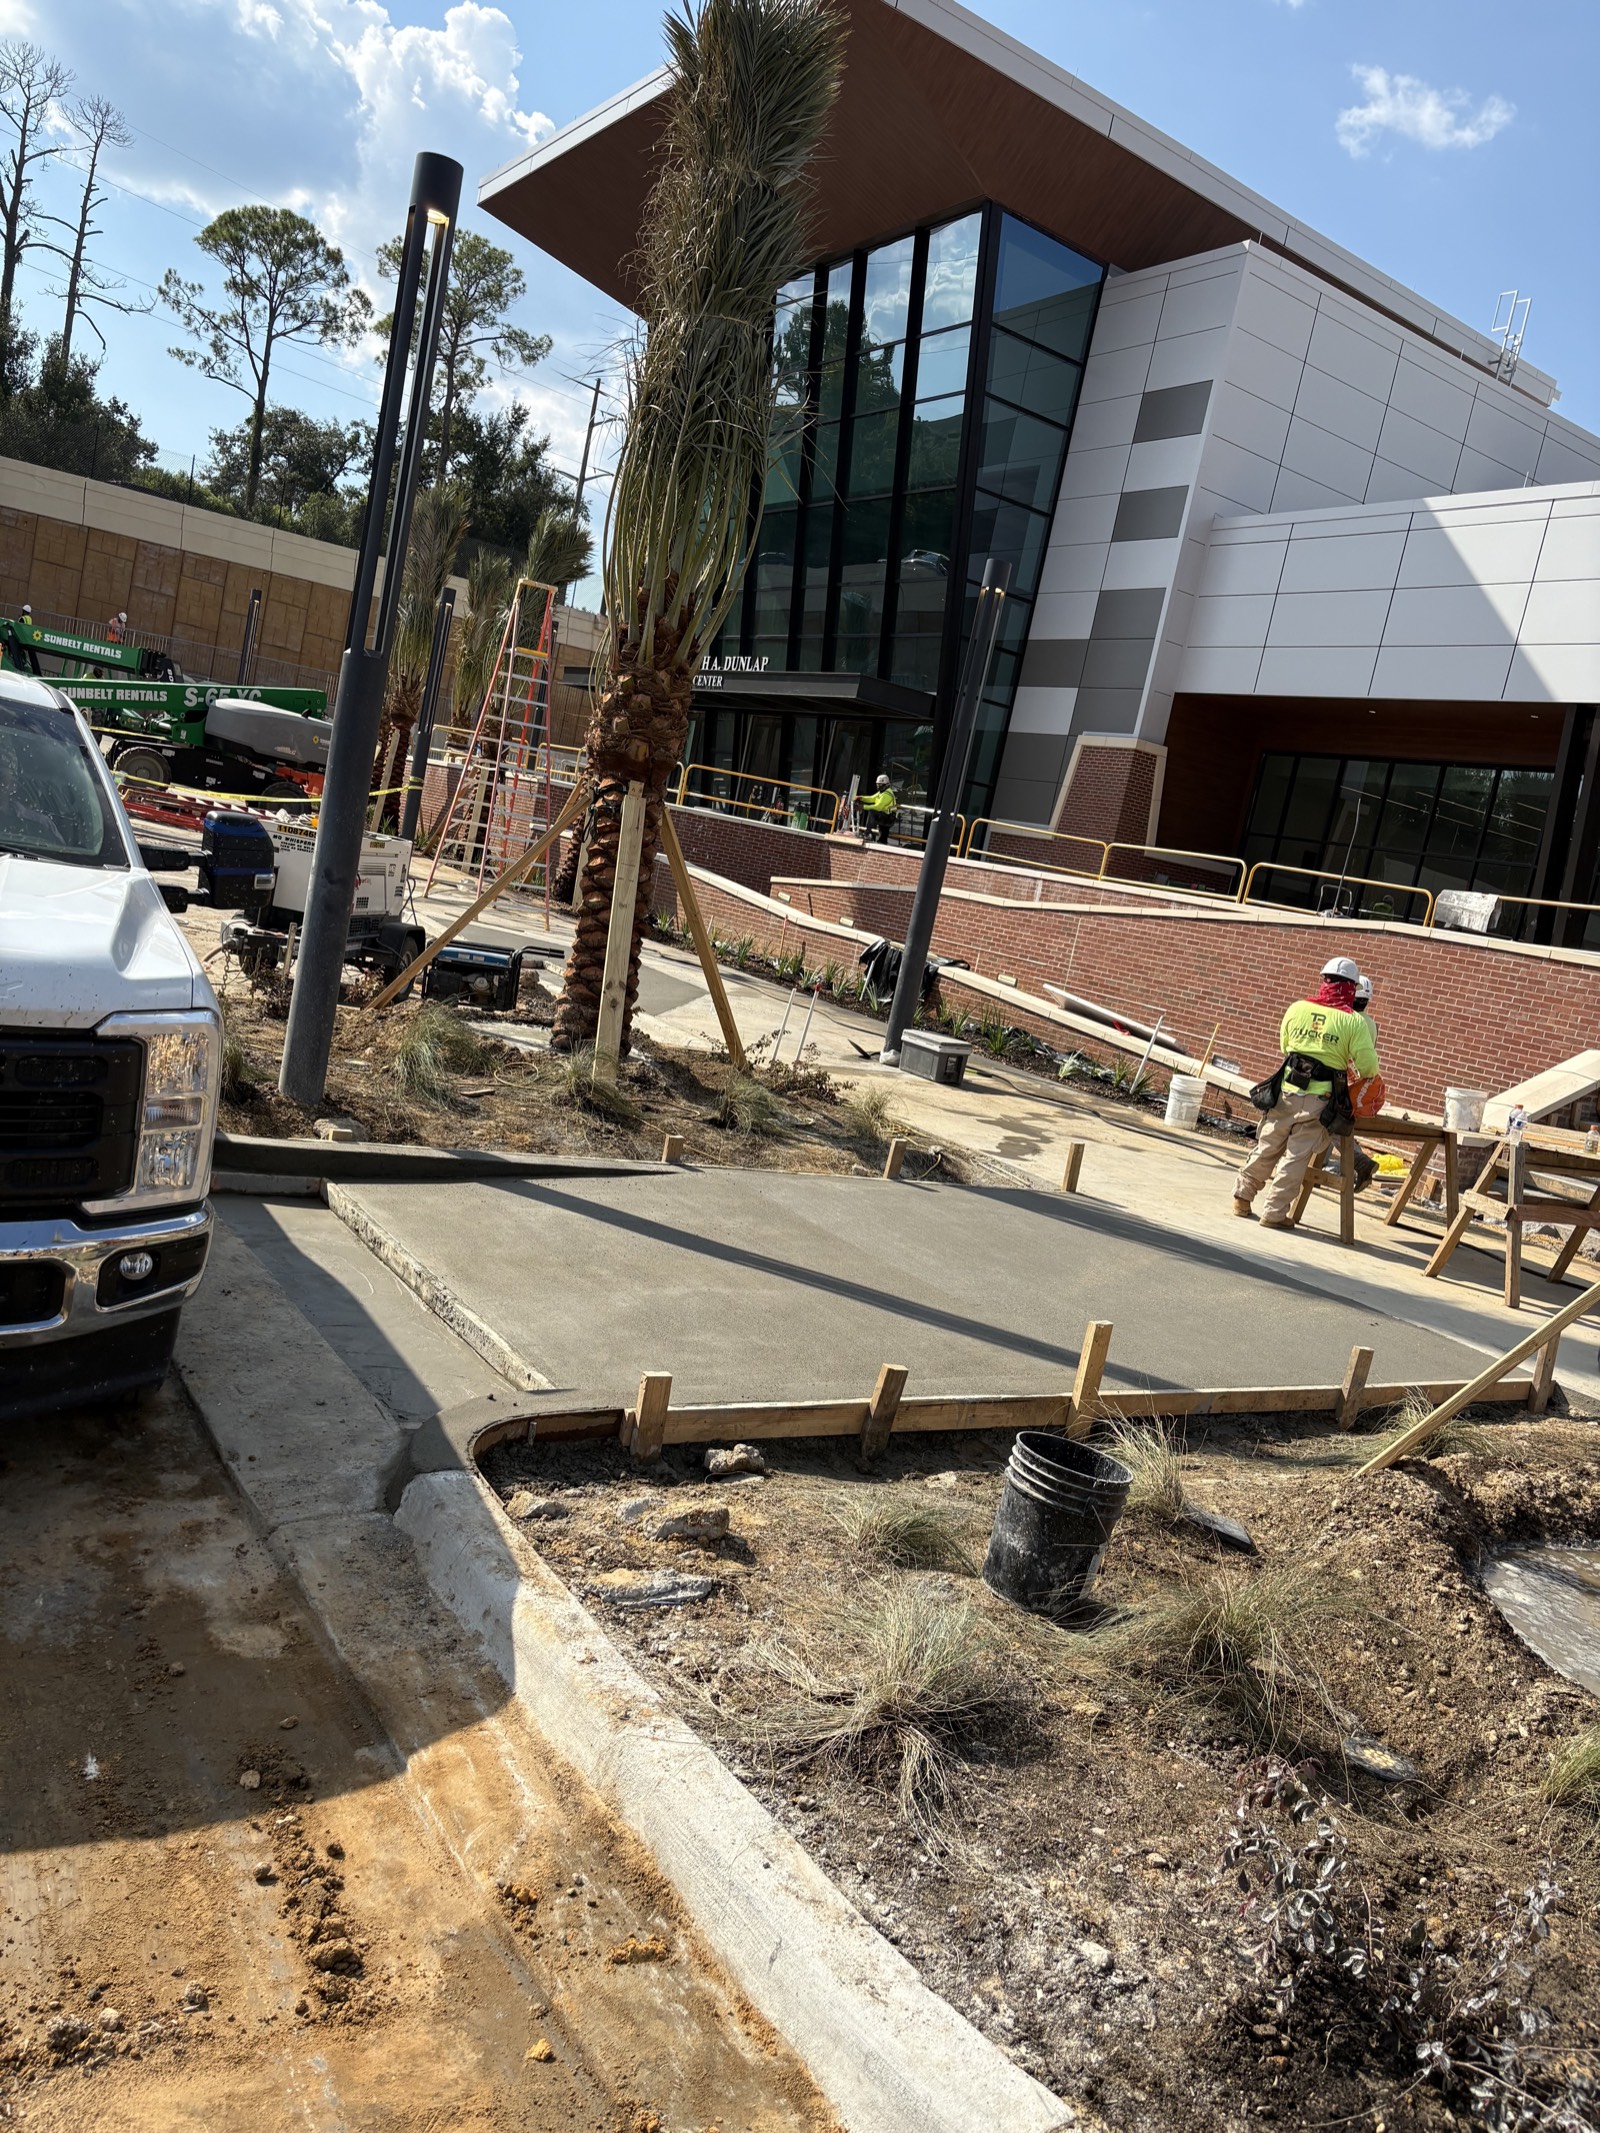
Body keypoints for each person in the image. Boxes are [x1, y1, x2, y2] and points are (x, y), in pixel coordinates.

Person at [1233, 955, 1381, 1231]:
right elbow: (1368, 1067)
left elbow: (1285, 1046)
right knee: (1296, 1157)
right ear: (1351, 988)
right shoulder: (1353, 1022)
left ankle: (1242, 1197)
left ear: (1324, 981)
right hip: (1319, 1100)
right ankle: (1274, 1213)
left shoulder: (1297, 1008)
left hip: (1285, 1092)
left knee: (1267, 1146)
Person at [860, 773, 898, 843]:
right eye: (877, 784)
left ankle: (867, 833)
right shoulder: (882, 792)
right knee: (883, 834)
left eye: (880, 785)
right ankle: (882, 842)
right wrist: (860, 798)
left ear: (885, 785)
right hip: (887, 816)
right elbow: (872, 798)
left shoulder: (887, 794)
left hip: (889, 818)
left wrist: (863, 807)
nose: (878, 786)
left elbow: (878, 807)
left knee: (872, 812)